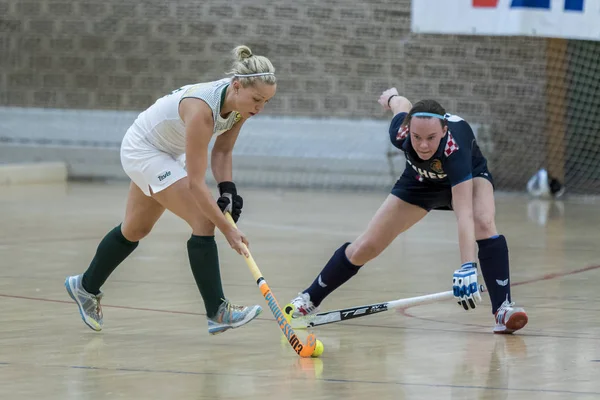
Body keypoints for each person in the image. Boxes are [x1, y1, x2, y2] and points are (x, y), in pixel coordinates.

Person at [65, 45, 277, 335]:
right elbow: (195, 183)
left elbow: (223, 152)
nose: (259, 108)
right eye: (256, 99)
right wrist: (227, 230)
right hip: (144, 149)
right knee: (204, 220)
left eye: (266, 101)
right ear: (237, 86)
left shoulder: (240, 108)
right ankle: (217, 311)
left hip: (168, 151)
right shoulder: (202, 111)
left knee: (135, 229)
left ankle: (85, 287)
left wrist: (228, 190)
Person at [289, 88, 529, 334]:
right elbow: (402, 104)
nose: (423, 145)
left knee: (483, 221)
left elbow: (464, 212)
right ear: (408, 131)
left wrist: (467, 266)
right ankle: (309, 299)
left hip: (468, 177)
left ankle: (503, 309)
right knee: (368, 245)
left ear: (444, 131)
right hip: (420, 182)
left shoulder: (454, 148)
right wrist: (391, 97)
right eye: (417, 138)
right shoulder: (401, 131)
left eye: (431, 138)